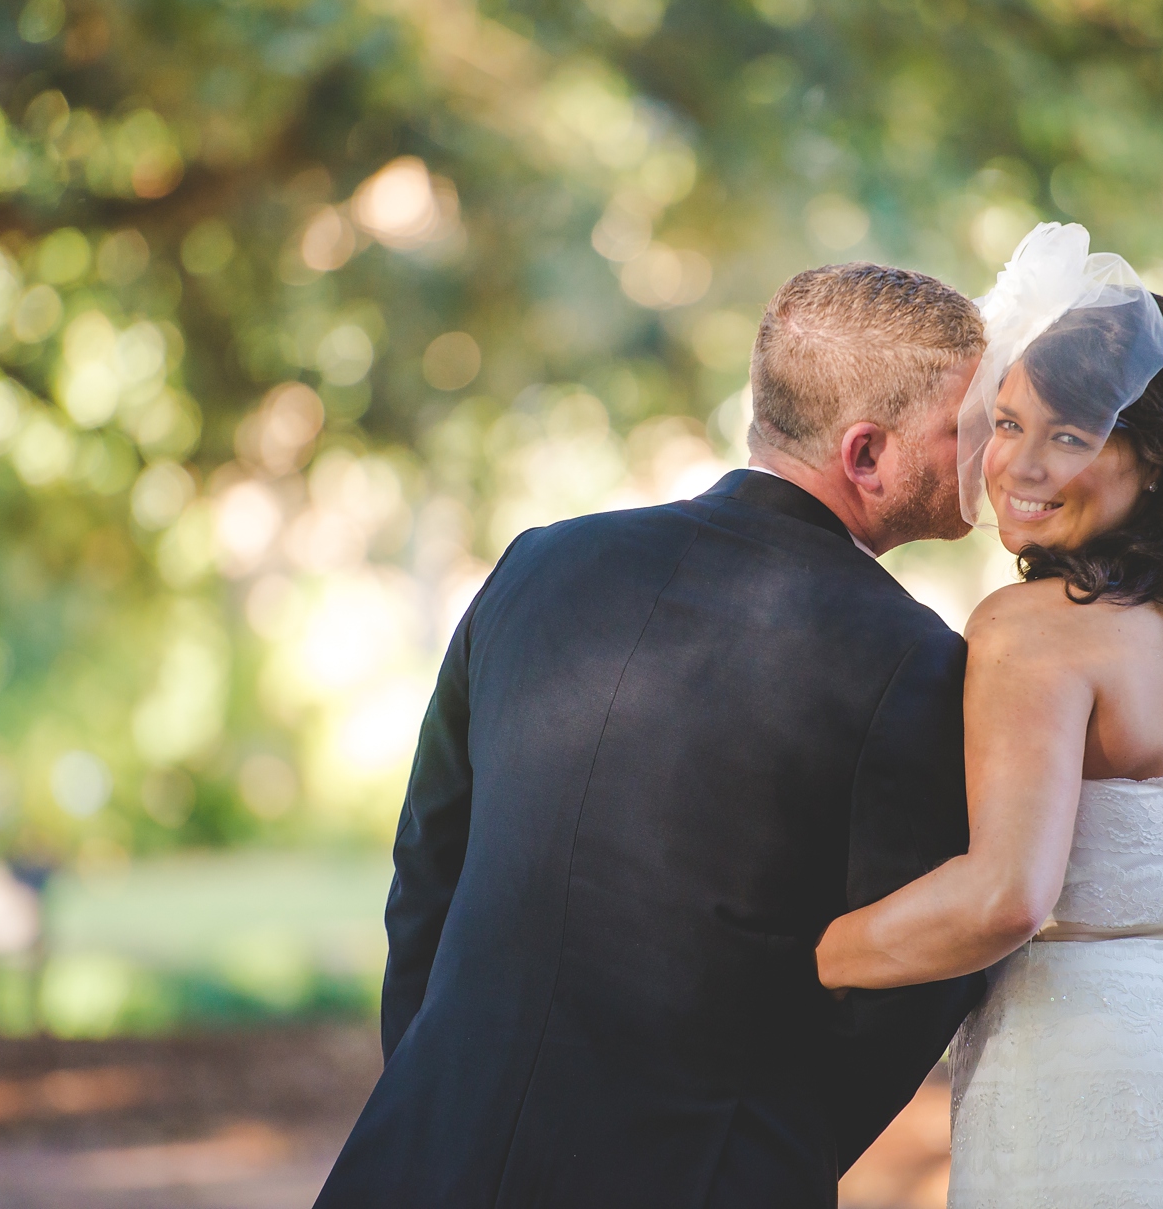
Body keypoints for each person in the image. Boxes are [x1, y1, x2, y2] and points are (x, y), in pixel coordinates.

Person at [314, 263, 987, 1209]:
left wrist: (437, 1078)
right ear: (865, 453)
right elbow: (914, 981)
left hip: (421, 1157)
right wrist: (766, 1155)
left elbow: (429, 859)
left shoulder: (538, 563)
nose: (995, 454)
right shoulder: (914, 663)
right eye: (970, 427)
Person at [816, 224, 1163, 1209]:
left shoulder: (1034, 630)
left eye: (1069, 435)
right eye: (1007, 422)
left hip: (1099, 1094)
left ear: (1153, 459)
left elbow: (1005, 897)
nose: (1016, 467)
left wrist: (807, 955)